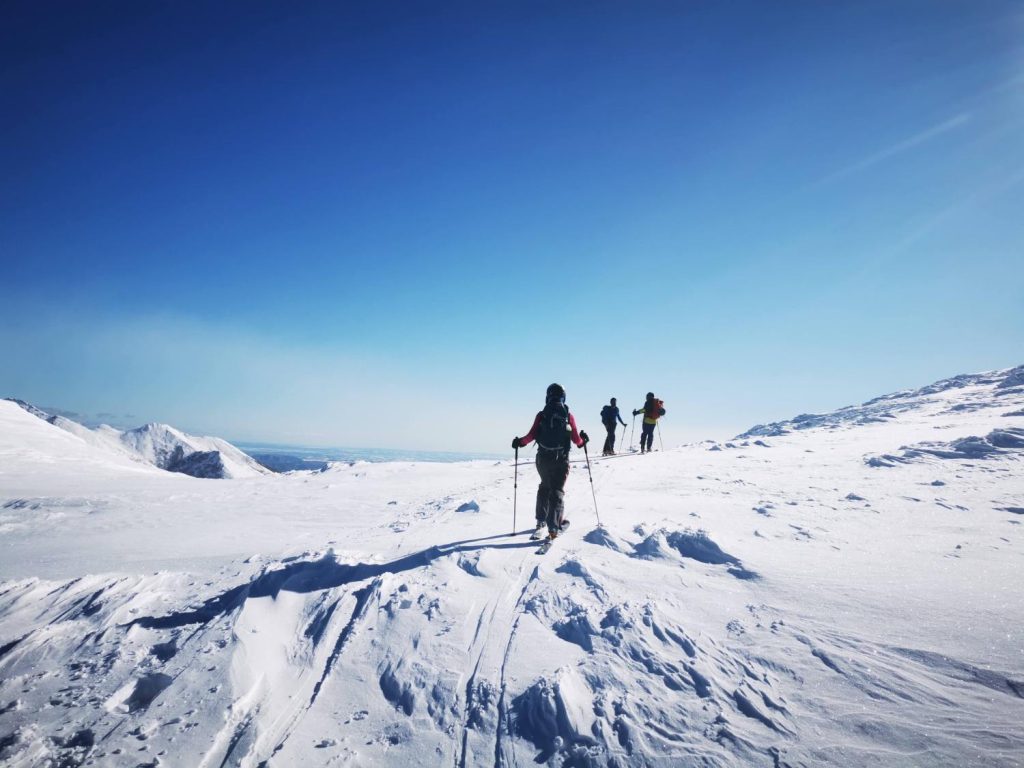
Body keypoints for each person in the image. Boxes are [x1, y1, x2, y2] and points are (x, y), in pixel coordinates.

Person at [512, 383, 589, 540]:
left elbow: (531, 435)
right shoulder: (568, 415)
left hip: (542, 460)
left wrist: (519, 442)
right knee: (557, 491)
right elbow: (576, 440)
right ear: (564, 397)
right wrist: (584, 441)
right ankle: (554, 528)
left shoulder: (542, 415)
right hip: (561, 460)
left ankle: (540, 521)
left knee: (544, 487)